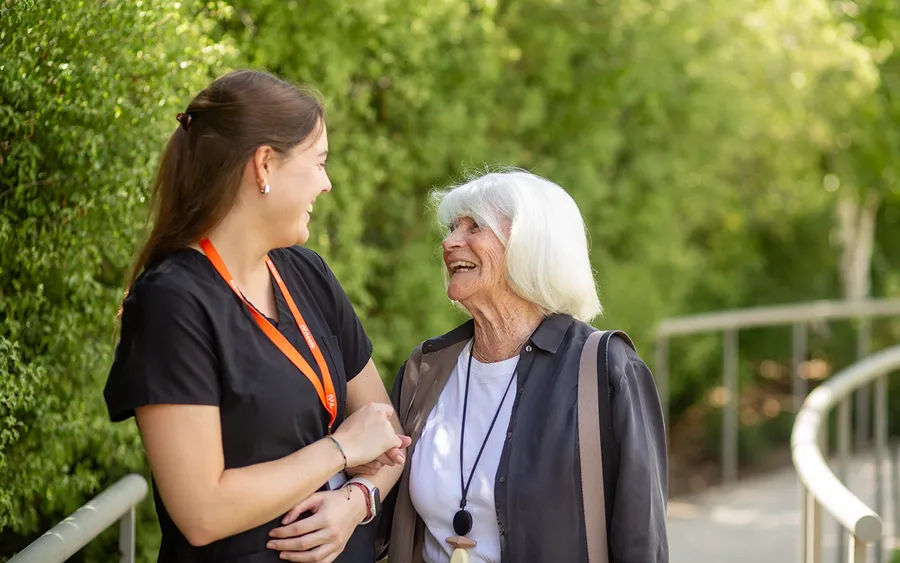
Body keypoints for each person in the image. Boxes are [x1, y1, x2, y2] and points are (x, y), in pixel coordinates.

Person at [104, 69, 411, 563]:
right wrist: (339, 451)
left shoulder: (306, 272)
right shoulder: (172, 302)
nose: (327, 184)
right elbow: (202, 511)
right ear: (265, 165)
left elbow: (386, 433)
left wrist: (357, 503)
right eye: (319, 162)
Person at [381, 170, 669, 563]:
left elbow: (641, 542)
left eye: (474, 226)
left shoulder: (605, 369)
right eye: (452, 227)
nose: (449, 242)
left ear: (530, 245)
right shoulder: (426, 369)